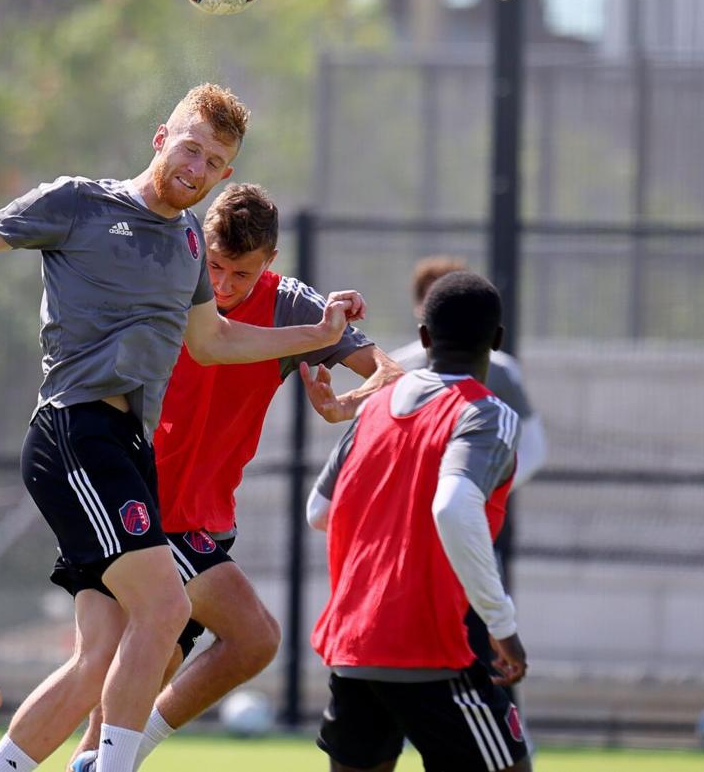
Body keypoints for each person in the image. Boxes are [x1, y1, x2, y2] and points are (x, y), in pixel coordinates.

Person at [0, 83, 364, 772]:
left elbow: (215, 341)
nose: (197, 168)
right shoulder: (80, 203)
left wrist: (314, 334)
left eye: (214, 161)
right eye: (191, 147)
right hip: (75, 431)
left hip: (122, 450)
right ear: (160, 137)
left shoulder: (184, 247)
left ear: (226, 174)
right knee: (167, 609)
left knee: (98, 656)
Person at [65, 183, 402, 772]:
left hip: (208, 521)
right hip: (143, 508)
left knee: (141, 670)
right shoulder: (170, 281)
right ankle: (100, 762)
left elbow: (391, 374)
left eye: (239, 275)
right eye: (214, 266)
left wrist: (342, 406)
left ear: (269, 262)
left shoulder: (293, 307)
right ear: (198, 246)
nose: (221, 286)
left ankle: (89, 763)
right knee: (254, 638)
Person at [307, 270, 531, 772]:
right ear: (496, 341)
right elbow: (452, 506)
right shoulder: (488, 414)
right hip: (436, 645)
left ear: (424, 338)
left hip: (355, 643)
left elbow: (318, 511)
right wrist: (502, 624)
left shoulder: (375, 409)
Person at [390, 255, 546, 682]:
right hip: (407, 535)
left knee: (478, 651)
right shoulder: (397, 373)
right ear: (422, 315)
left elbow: (532, 450)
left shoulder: (501, 379)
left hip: (469, 522)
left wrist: (480, 486)